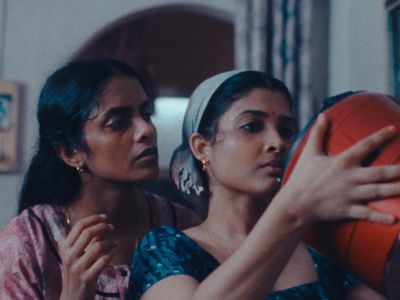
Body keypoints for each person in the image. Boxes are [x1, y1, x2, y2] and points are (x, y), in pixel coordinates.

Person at [130, 70, 400, 299]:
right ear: (202, 148)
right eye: (251, 126)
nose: (277, 143)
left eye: (285, 130)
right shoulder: (167, 248)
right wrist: (294, 208)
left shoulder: (323, 252)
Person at [0, 58, 200, 299]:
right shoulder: (29, 240)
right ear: (70, 152)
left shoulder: (181, 225)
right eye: (118, 123)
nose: (146, 130)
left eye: (146, 114)